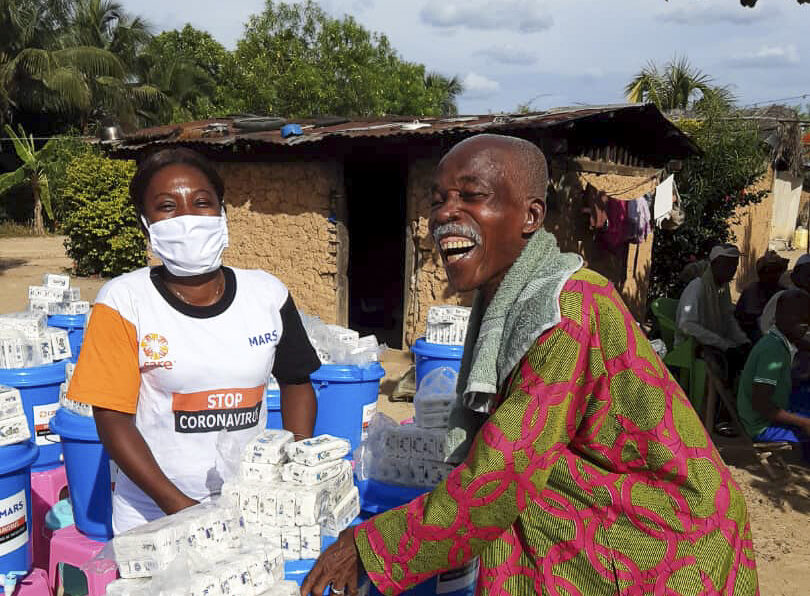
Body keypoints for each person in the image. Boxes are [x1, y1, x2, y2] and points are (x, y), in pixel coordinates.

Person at [302, 135, 757, 595]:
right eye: (437, 200)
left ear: (531, 216)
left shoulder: (567, 311)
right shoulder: (505, 301)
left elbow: (501, 474)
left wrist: (371, 545)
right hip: (601, 516)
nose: (443, 214)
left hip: (662, 541)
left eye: (471, 196)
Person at [68, 148, 321, 534]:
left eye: (202, 203)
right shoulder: (122, 301)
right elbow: (112, 418)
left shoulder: (267, 294)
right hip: (154, 515)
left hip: (250, 504)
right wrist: (179, 507)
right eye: (167, 207)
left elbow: (297, 383)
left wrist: (294, 468)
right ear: (145, 224)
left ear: (222, 214)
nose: (187, 219)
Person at [738, 289, 810, 443]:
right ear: (781, 317)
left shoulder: (778, 340)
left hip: (769, 411)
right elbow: (761, 404)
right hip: (761, 426)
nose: (806, 327)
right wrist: (803, 423)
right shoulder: (773, 351)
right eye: (802, 321)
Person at [676, 243, 750, 388]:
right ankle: (710, 406)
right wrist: (724, 345)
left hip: (713, 342)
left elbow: (728, 319)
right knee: (720, 363)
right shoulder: (697, 287)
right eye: (728, 266)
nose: (732, 271)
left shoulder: (722, 290)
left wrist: (742, 340)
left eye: (734, 267)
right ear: (715, 264)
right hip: (690, 346)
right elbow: (687, 325)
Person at [734, 251, 789, 344]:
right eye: (768, 271)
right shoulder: (752, 290)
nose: (772, 275)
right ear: (761, 273)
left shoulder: (782, 292)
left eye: (776, 271)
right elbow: (755, 319)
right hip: (750, 336)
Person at [758, 253, 810, 337]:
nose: (808, 279)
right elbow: (765, 327)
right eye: (807, 274)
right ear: (794, 276)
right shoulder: (784, 297)